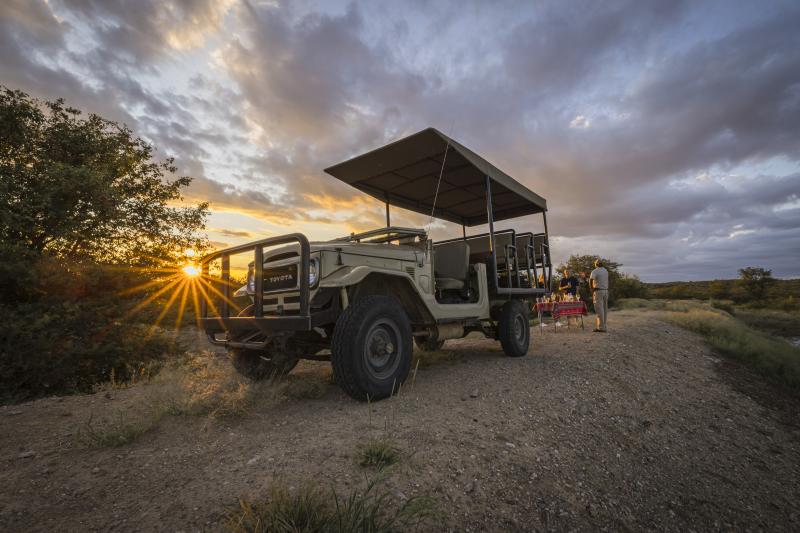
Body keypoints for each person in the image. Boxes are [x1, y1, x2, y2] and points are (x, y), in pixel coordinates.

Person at [589, 259, 609, 332]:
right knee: (604, 309)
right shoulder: (605, 271)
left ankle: (601, 328)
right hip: (606, 291)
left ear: (596, 264)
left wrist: (591, 289)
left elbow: (591, 280)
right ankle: (603, 326)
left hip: (598, 291)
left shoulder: (595, 271)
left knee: (599, 309)